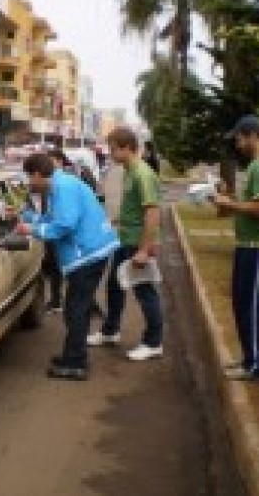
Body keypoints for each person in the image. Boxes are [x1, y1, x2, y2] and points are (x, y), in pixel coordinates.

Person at [16, 153, 120, 380]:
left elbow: (64, 225)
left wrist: (32, 230)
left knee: (76, 309)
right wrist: (28, 220)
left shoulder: (63, 188)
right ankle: (72, 355)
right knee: (76, 308)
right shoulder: (60, 185)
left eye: (29, 177)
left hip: (87, 253)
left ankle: (75, 363)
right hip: (90, 251)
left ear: (37, 174)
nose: (28, 182)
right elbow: (53, 218)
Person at [212, 115, 259, 381]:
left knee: (255, 307)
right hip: (251, 248)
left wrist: (229, 203)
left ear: (253, 135)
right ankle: (249, 360)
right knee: (244, 304)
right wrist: (227, 198)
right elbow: (251, 205)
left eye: (240, 138)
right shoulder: (257, 165)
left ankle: (258, 366)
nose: (238, 143)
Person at [87, 126, 165, 362]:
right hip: (125, 239)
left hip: (137, 243)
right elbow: (136, 208)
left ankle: (153, 342)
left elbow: (152, 212)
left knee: (144, 291)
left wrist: (144, 249)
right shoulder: (129, 171)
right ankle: (111, 331)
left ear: (126, 148)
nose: (109, 153)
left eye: (112, 149)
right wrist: (116, 219)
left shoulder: (142, 174)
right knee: (114, 286)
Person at [45, 149, 105, 320]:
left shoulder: (70, 180)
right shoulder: (51, 181)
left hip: (78, 241)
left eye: (51, 161)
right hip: (59, 233)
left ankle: (88, 306)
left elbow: (69, 220)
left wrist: (40, 228)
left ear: (60, 161)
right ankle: (57, 300)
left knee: (78, 287)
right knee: (56, 268)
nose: (49, 166)